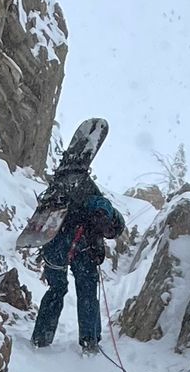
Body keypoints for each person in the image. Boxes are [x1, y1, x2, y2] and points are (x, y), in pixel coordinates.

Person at [26, 119, 125, 352]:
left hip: (55, 245)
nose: (109, 233)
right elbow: (101, 206)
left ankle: (42, 338)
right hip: (74, 244)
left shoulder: (60, 192)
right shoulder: (99, 204)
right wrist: (102, 217)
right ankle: (90, 342)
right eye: (111, 231)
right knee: (87, 290)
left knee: (57, 289)